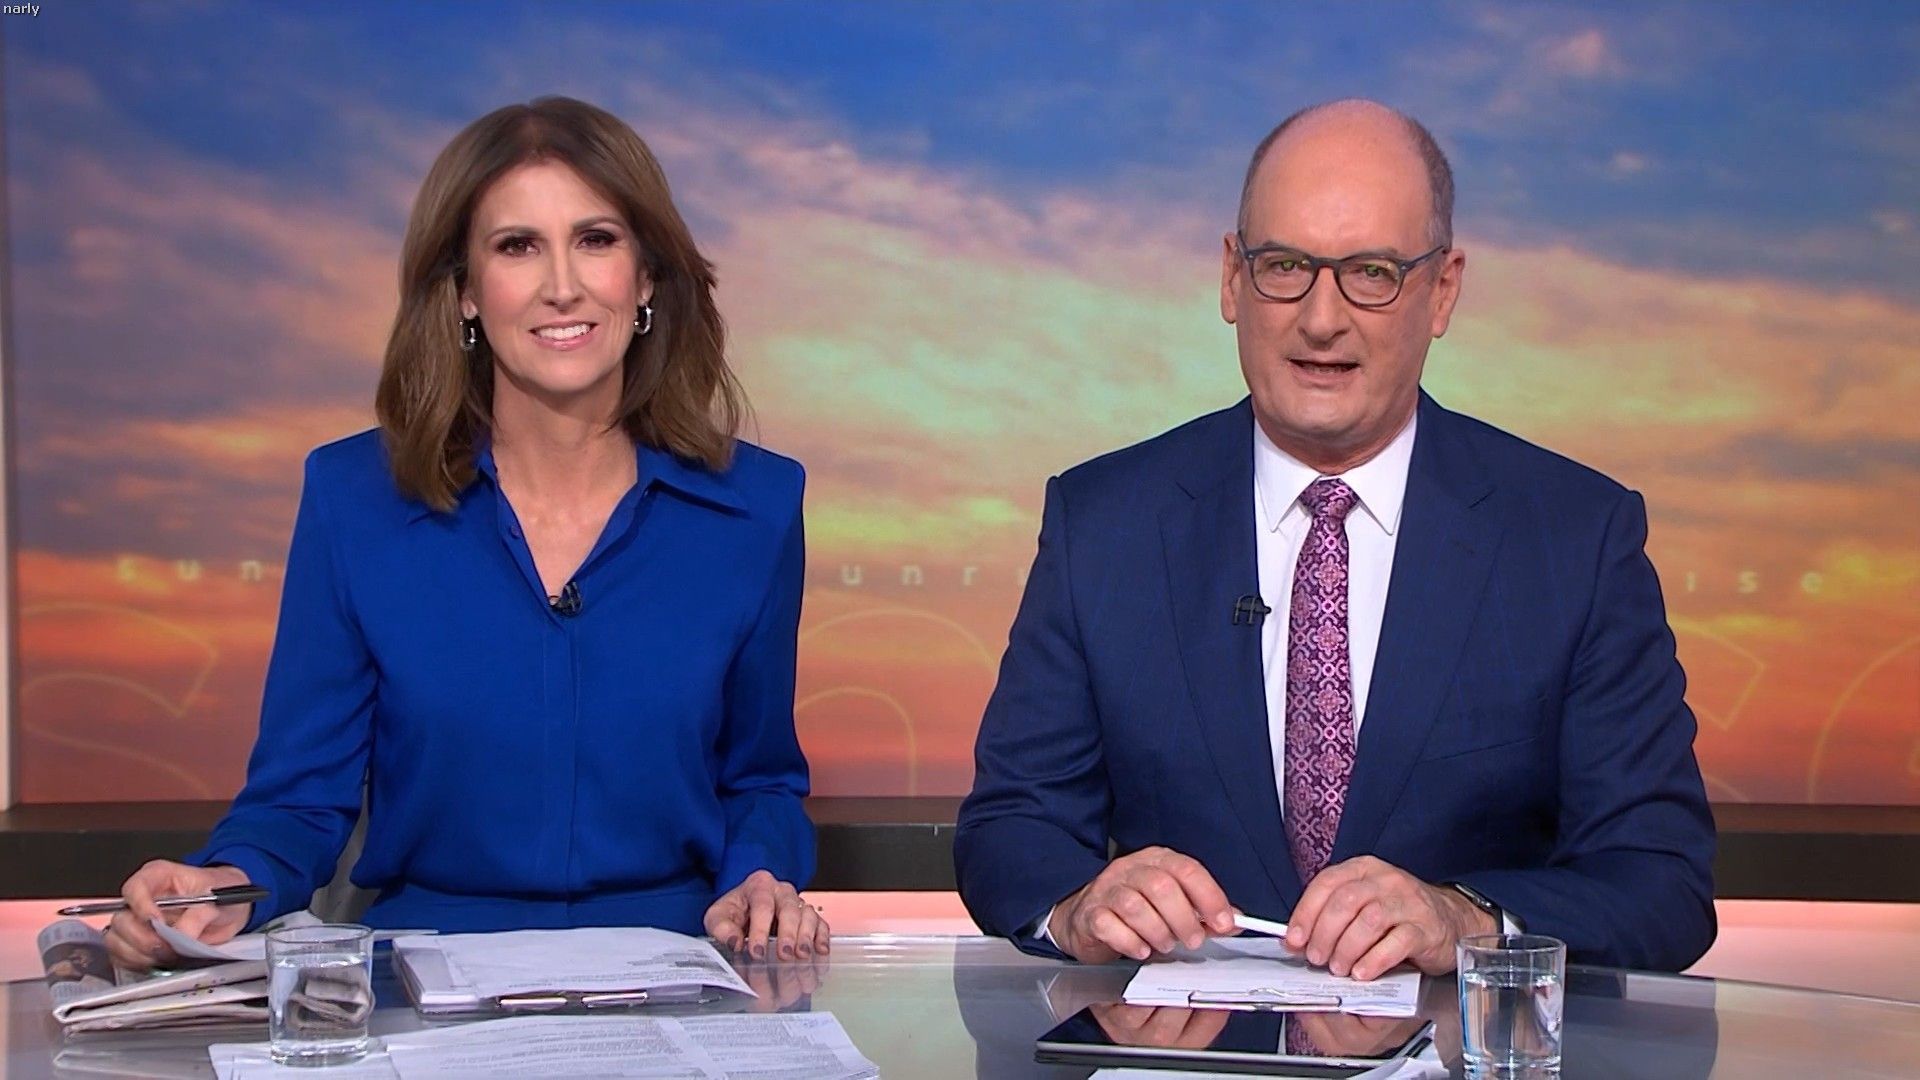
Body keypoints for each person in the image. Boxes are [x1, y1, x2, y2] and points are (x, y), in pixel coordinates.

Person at [954, 98, 1715, 978]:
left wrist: (1467, 920)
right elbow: (1012, 829)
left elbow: (1660, 882)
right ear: (1231, 280)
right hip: (1177, 1044)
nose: (1321, 319)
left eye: (1372, 274)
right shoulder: (1103, 523)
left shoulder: (1574, 538)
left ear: (1443, 290)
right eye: (1285, 266)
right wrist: (1079, 904)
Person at [104, 97, 827, 968]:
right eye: (517, 246)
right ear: (464, 292)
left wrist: (758, 878)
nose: (563, 284)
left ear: (644, 279)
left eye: (596, 239)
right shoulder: (353, 499)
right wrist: (222, 885)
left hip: (677, 966)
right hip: (427, 973)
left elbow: (759, 780)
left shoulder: (755, 507)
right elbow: (298, 801)